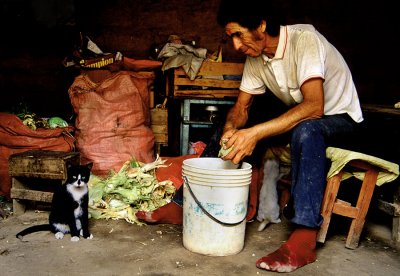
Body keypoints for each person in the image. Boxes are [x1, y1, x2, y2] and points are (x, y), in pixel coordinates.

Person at [217, 0, 363, 273]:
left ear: (261, 25)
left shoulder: (303, 39)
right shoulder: (256, 57)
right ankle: (182, 204)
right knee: (229, 127)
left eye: (238, 34)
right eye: (230, 37)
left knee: (305, 129)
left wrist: (256, 133)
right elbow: (242, 108)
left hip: (343, 122)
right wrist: (231, 130)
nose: (236, 45)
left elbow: (313, 107)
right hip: (308, 122)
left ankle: (304, 240)